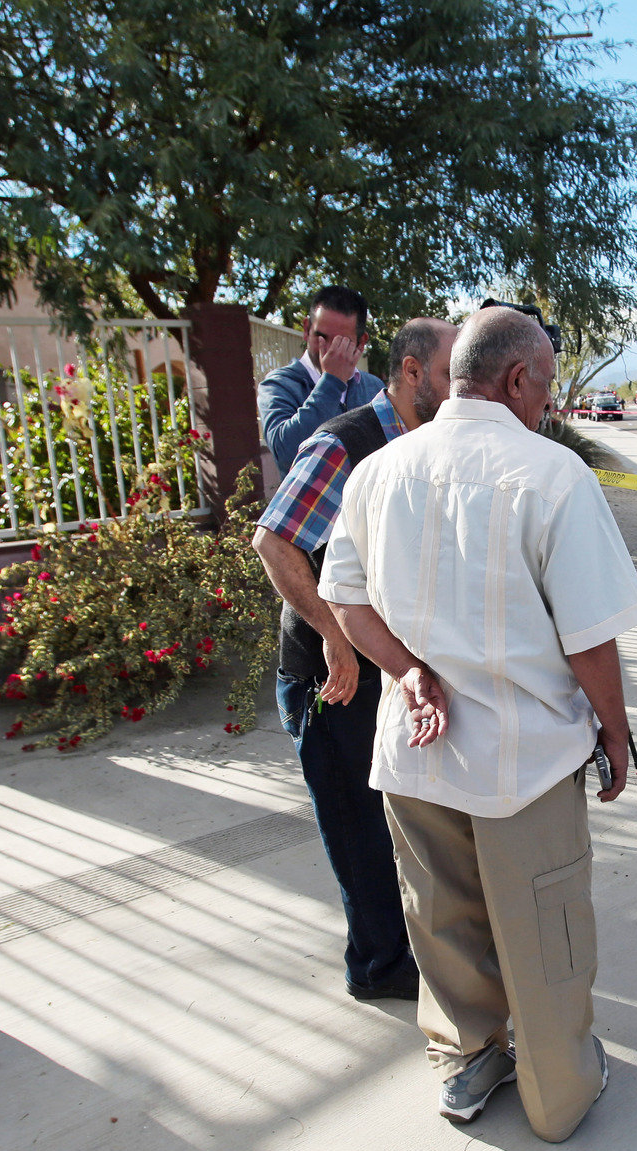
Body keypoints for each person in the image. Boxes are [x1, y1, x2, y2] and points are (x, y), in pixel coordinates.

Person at [320, 306, 637, 1141]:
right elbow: (590, 638)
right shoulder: (553, 476)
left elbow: (343, 600)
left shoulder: (380, 471)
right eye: (545, 383)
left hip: (415, 753)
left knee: (443, 919)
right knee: (546, 926)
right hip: (524, 764)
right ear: (514, 380)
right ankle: (558, 1092)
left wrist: (410, 673)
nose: (548, 402)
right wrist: (615, 732)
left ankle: (468, 1062)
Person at [251, 318, 457, 1001]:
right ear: (410, 373)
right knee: (360, 831)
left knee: (398, 823)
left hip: (385, 667)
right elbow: (274, 542)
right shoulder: (345, 445)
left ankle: (403, 948)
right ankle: (379, 968)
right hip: (329, 676)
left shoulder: (428, 447)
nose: (461, 388)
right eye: (451, 373)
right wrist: (332, 633)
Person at [258, 286, 387, 474]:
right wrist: (332, 382)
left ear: (361, 342)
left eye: (341, 341)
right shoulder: (279, 385)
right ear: (306, 329)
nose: (327, 349)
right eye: (320, 337)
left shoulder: (373, 387)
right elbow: (286, 455)